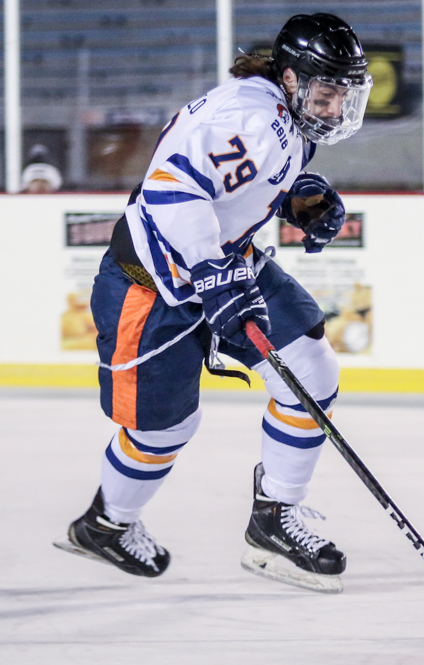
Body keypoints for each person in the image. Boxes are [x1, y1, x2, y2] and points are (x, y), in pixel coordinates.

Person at [54, 13, 373, 594]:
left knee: (310, 366)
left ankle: (274, 519)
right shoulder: (252, 118)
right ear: (293, 79)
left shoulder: (286, 116)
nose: (334, 109)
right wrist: (214, 276)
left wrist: (292, 198)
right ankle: (106, 525)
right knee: (164, 431)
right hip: (151, 288)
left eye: (342, 96)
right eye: (327, 94)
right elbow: (171, 191)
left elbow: (232, 188)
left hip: (223, 263)